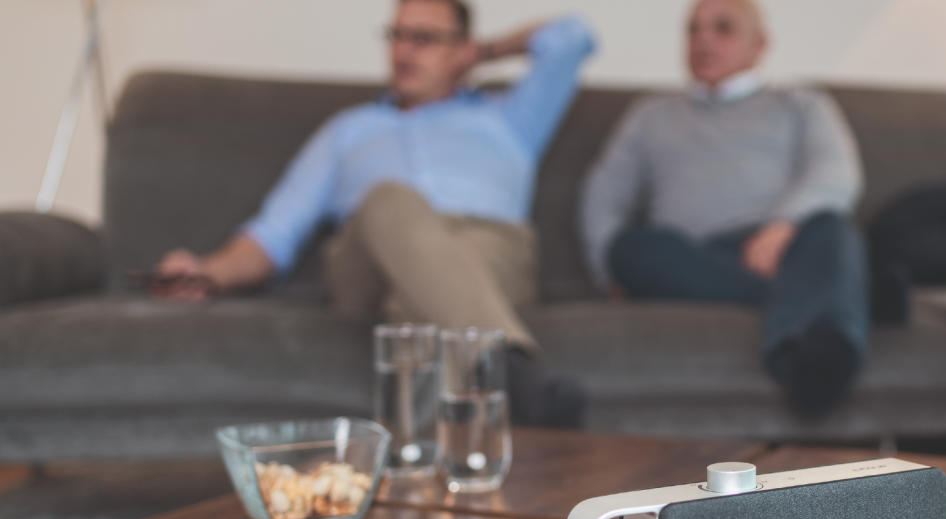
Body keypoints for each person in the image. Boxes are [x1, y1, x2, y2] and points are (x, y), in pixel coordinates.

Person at [156, 0, 595, 428]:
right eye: (396, 36)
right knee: (389, 198)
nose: (403, 52)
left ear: (461, 51)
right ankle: (513, 370)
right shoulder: (347, 130)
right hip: (370, 261)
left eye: (423, 39)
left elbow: (571, 36)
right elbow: (273, 233)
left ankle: (418, 465)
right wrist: (206, 271)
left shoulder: (510, 118)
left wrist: (484, 53)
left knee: (417, 296)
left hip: (488, 249)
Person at [581, 0, 867, 417]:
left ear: (759, 45)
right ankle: (838, 292)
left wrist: (782, 226)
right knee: (630, 249)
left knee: (833, 229)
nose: (704, 40)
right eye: (694, 30)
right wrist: (607, 272)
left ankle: (812, 358)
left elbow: (836, 172)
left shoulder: (801, 104)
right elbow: (603, 193)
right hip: (689, 259)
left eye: (723, 28)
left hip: (780, 249)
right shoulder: (651, 114)